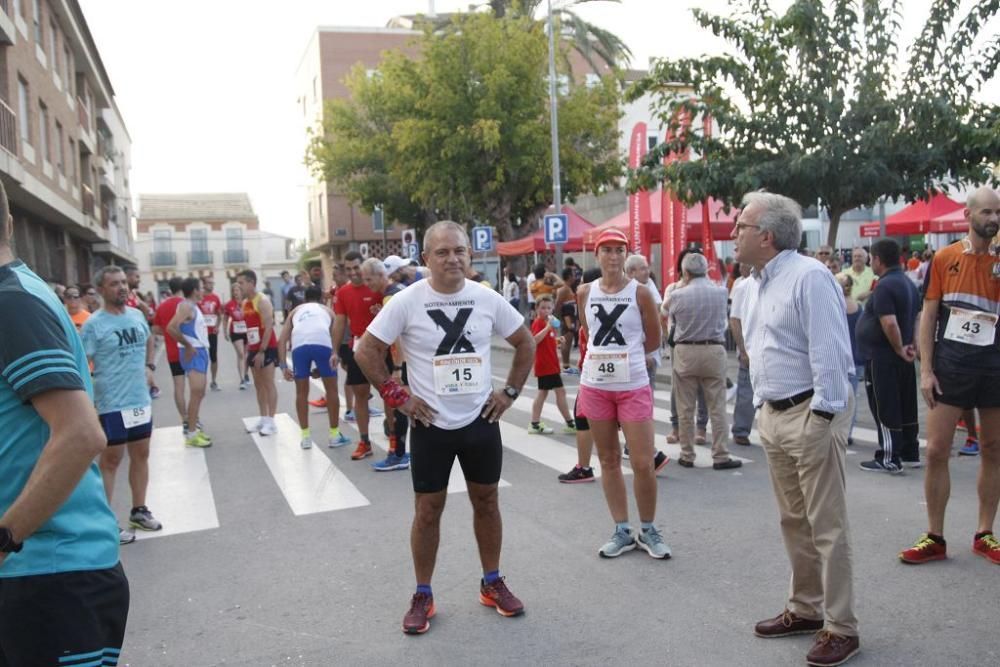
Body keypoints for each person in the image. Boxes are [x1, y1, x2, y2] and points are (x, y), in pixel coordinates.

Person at [353, 220, 534, 634]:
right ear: (425, 259)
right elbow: (367, 351)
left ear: (470, 255)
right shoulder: (407, 300)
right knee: (428, 511)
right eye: (443, 252)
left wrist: (507, 393)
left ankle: (492, 582)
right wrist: (398, 397)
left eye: (460, 251)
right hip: (431, 425)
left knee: (487, 502)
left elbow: (526, 342)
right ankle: (422, 592)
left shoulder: (485, 297)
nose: (453, 258)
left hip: (480, 421)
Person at [0, 181, 130, 662]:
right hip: (38, 572)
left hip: (49, 573)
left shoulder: (11, 302)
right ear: (11, 223)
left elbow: (80, 434)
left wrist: (4, 539)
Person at [734, 192, 859, 667]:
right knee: (793, 522)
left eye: (742, 226)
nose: (735, 234)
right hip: (775, 415)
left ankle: (842, 626)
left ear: (766, 236)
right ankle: (805, 609)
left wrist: (822, 418)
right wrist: (764, 409)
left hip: (811, 414)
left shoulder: (809, 276)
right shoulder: (756, 282)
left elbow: (831, 353)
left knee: (827, 526)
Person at [899, 186, 1000, 566]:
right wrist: (925, 370)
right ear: (968, 216)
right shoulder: (945, 258)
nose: (994, 219)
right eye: (987, 212)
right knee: (937, 450)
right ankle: (935, 536)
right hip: (952, 366)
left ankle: (985, 533)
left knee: (993, 449)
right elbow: (928, 316)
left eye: (998, 213)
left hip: (995, 366)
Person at [577, 228, 669, 560]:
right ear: (597, 255)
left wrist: (628, 357)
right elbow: (588, 332)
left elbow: (655, 338)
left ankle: (648, 528)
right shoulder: (584, 292)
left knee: (643, 462)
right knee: (609, 460)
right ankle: (621, 528)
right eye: (607, 250)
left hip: (632, 384)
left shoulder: (641, 293)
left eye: (619, 250)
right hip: (596, 385)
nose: (613, 257)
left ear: (626, 255)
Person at [82, 265, 162, 546]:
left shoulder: (137, 315)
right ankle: (106, 523)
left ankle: (139, 510)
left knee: (141, 453)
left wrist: (149, 366)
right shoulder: (94, 324)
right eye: (114, 284)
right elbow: (82, 361)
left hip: (139, 399)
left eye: (123, 282)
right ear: (102, 290)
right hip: (111, 402)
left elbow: (150, 338)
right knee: (111, 460)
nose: (122, 287)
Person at [668, 252, 743, 470]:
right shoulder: (721, 292)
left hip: (686, 350)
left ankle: (687, 454)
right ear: (706, 270)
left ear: (686, 272)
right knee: (717, 406)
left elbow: (669, 316)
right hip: (714, 349)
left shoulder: (678, 295)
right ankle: (720, 455)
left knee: (685, 408)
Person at [855, 239, 922, 473]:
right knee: (906, 403)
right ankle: (910, 452)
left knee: (885, 406)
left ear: (877, 260)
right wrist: (911, 345)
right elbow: (917, 318)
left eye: (871, 258)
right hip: (902, 355)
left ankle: (889, 456)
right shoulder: (908, 283)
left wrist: (898, 347)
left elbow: (889, 322)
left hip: (884, 355)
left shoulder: (884, 286)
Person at [278, 285, 350, 449]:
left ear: (304, 299)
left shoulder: (296, 310)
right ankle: (334, 435)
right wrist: (333, 356)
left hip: (299, 346)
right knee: (331, 390)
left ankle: (305, 437)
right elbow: (336, 334)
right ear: (322, 298)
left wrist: (283, 367)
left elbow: (281, 340)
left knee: (301, 393)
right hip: (322, 343)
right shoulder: (327, 310)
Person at [331, 251, 382, 461]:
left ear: (364, 267)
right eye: (348, 269)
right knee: (360, 395)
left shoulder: (377, 288)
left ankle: (396, 441)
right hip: (358, 348)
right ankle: (364, 441)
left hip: (382, 348)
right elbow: (340, 322)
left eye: (356, 268)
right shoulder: (343, 293)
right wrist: (334, 351)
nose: (352, 272)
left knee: (390, 395)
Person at [361, 257, 409, 470]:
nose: (367, 284)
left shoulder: (391, 297)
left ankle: (399, 454)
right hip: (411, 358)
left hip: (403, 360)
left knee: (398, 406)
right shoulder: (399, 289)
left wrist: (397, 367)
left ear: (382, 275)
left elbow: (398, 335)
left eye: (369, 279)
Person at [662, 249, 709, 444]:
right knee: (677, 387)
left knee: (702, 386)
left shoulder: (709, 288)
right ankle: (676, 427)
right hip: (679, 343)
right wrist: (667, 339)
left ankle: (701, 427)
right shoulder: (673, 289)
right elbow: (664, 313)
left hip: (703, 341)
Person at [166, 278, 213, 448]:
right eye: (200, 288)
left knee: (199, 393)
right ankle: (192, 433)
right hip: (194, 351)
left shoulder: (192, 306)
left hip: (200, 351)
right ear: (194, 290)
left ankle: (194, 428)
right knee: (196, 393)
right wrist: (186, 345)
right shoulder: (186, 306)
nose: (203, 291)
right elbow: (171, 328)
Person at [237, 270, 279, 436]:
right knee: (258, 384)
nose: (239, 286)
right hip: (253, 348)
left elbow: (269, 326)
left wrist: (262, 350)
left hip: (266, 347)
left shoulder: (262, 300)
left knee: (268, 383)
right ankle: (263, 418)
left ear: (251, 282)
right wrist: (250, 350)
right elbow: (249, 328)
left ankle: (271, 421)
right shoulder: (245, 303)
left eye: (241, 283)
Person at [527, 295, 576, 435]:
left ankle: (535, 423)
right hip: (546, 365)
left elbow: (547, 342)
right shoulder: (539, 323)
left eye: (549, 308)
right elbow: (534, 340)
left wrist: (558, 341)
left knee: (543, 393)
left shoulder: (549, 324)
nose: (546, 311)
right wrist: (548, 328)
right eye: (543, 308)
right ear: (537, 309)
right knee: (559, 392)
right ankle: (570, 423)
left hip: (551, 364)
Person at [152, 277, 189, 426]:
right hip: (189, 350)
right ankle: (194, 419)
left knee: (178, 387)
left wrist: (168, 334)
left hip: (173, 352)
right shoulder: (186, 305)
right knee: (195, 386)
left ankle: (184, 418)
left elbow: (155, 329)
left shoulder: (162, 306)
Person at [729, 262, 758, 446]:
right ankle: (741, 430)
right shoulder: (742, 286)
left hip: (767, 347)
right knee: (746, 392)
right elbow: (734, 320)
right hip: (750, 347)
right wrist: (743, 349)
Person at [835, 273, 865, 445]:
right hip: (855, 357)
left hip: (838, 357)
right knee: (851, 398)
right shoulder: (859, 307)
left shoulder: (834, 305)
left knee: (835, 396)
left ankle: (837, 430)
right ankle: (847, 432)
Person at [221, 282, 250, 389]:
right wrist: (224, 332)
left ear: (241, 291)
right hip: (235, 332)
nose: (236, 293)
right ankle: (242, 379)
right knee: (241, 354)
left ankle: (246, 374)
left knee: (247, 355)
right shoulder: (229, 304)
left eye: (237, 290)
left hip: (247, 332)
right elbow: (225, 319)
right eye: (234, 291)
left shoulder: (247, 303)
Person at [198, 275, 224, 391]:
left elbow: (219, 314)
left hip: (212, 332)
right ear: (203, 284)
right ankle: (201, 381)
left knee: (214, 357)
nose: (211, 285)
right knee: (202, 357)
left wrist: (217, 326)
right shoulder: (199, 298)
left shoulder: (215, 298)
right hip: (201, 333)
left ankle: (213, 380)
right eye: (209, 283)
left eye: (212, 283)